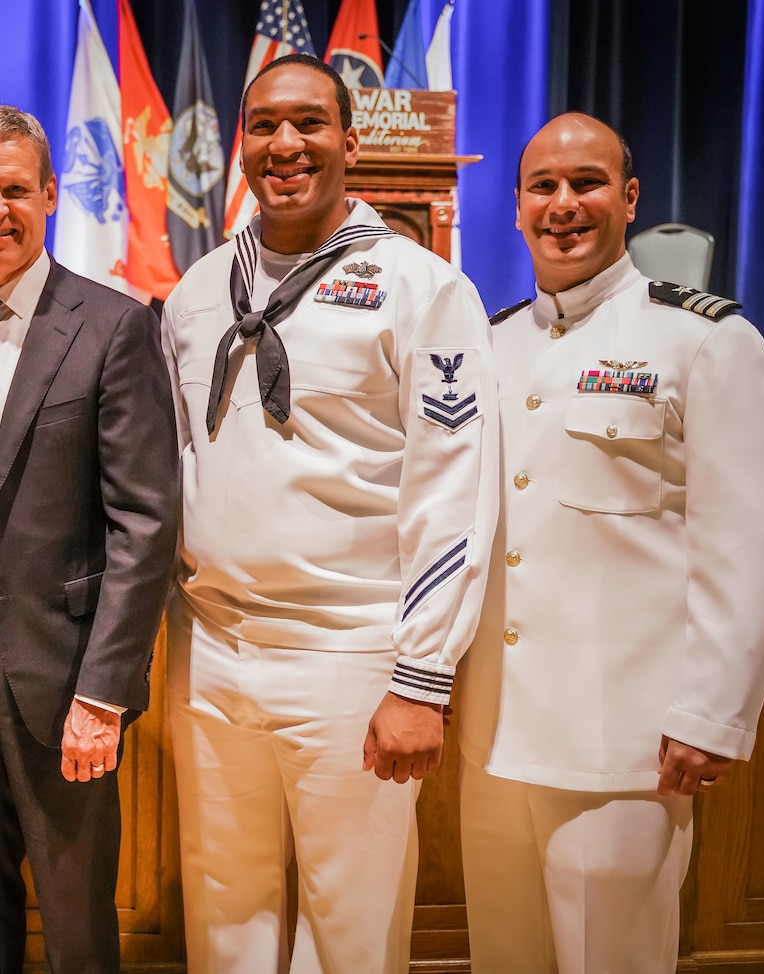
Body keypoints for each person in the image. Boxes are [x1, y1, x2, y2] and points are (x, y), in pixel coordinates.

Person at [159, 54, 499, 973]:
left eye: (308, 123)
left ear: (350, 142)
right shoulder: (195, 294)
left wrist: (422, 677)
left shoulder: (424, 289)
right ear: (241, 146)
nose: (285, 144)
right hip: (213, 648)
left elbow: (454, 489)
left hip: (350, 655)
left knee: (352, 930)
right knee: (222, 915)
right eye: (264, 125)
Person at [455, 112, 764, 973]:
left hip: (623, 742)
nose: (565, 204)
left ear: (630, 198)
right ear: (518, 205)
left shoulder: (704, 341)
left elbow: (753, 543)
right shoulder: (488, 347)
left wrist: (712, 714)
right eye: (545, 187)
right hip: (493, 741)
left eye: (588, 183)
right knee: (505, 959)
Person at [0, 104, 179, 974]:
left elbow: (146, 523)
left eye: (16, 190)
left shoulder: (114, 324)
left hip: (65, 674)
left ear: (50, 195)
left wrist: (105, 692)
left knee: (77, 915)